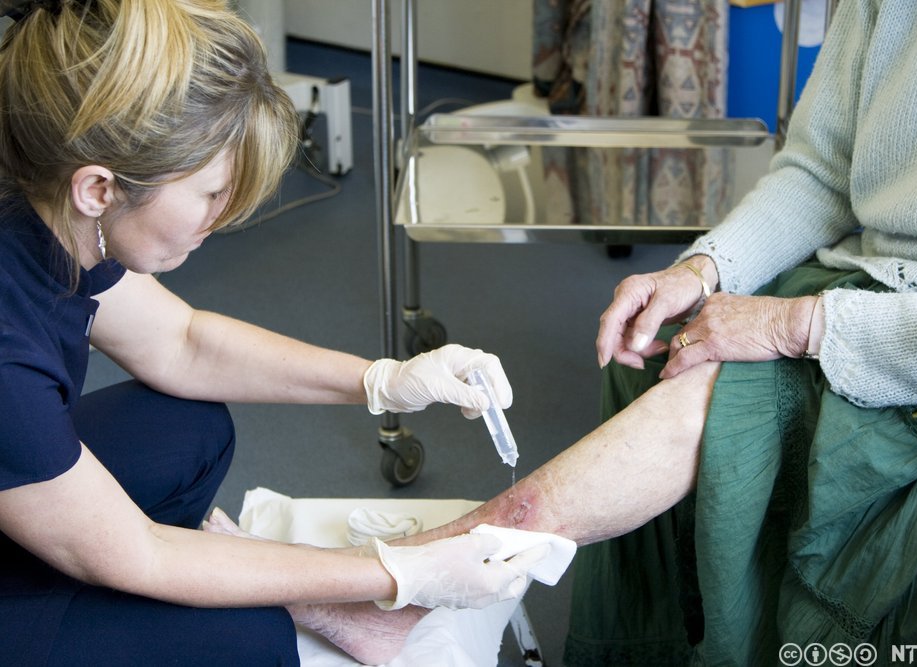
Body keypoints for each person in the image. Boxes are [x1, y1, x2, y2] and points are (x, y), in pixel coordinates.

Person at [250, 0, 917, 663]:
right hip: (863, 271)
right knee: (655, 350)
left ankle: (397, 586)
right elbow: (820, 171)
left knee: (715, 394)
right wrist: (703, 269)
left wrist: (796, 323)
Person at [0, 1, 548, 665]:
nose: (222, 215)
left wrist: (384, 380)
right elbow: (139, 552)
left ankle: (128, 597)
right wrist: (397, 571)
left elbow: (183, 342)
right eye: (208, 193)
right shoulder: (7, 356)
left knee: (190, 429)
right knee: (249, 642)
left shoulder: (48, 202)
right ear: (99, 189)